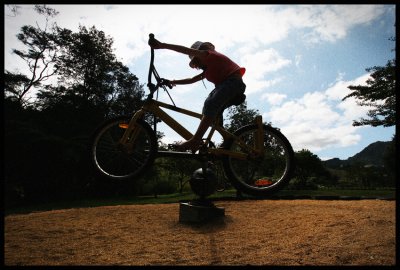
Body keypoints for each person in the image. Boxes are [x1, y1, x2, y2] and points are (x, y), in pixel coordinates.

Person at [149, 37, 246, 152]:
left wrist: (162, 45)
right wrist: (172, 82)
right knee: (208, 115)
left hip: (233, 82)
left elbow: (185, 50)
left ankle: (196, 140)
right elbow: (191, 79)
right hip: (226, 87)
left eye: (196, 60)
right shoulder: (208, 69)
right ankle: (227, 139)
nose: (197, 65)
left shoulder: (208, 55)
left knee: (210, 104)